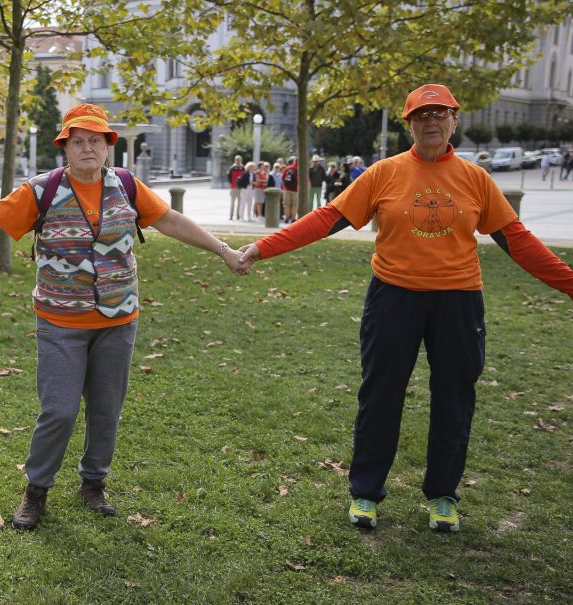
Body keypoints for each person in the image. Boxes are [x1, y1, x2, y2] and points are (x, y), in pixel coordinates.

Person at [237, 83, 573, 533]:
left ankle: (442, 495)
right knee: (381, 395)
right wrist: (260, 248)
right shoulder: (384, 173)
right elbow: (326, 219)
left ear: (455, 120)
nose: (430, 121)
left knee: (454, 398)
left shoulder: (475, 179)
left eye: (440, 113)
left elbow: (518, 242)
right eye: (421, 115)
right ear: (409, 123)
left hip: (458, 302)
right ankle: (365, 492)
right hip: (393, 297)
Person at [0, 103, 250, 530]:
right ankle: (36, 490)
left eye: (95, 140)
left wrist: (224, 251)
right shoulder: (41, 190)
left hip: (118, 319)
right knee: (60, 410)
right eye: (78, 141)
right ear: (65, 148)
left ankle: (93, 483)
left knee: (106, 408)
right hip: (60, 321)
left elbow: (172, 221)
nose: (87, 147)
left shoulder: (127, 185)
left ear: (108, 146)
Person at [281, 157, 299, 222]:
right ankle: (293, 218)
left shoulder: (288, 168)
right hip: (295, 190)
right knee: (294, 204)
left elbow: (282, 178)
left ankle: (286, 217)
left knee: (286, 204)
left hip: (286, 189)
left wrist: (284, 187)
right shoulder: (299, 169)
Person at [228, 155, 245, 220]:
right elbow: (229, 177)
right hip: (233, 187)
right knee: (232, 202)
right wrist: (232, 184)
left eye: (239, 160)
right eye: (237, 160)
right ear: (235, 160)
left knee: (240, 203)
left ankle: (238, 216)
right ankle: (231, 216)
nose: (238, 161)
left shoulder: (243, 168)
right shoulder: (232, 168)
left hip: (240, 188)